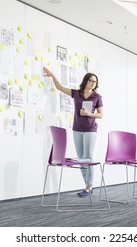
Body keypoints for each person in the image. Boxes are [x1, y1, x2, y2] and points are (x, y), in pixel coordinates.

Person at [43, 66, 103, 197]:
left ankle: (88, 187)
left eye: (95, 81)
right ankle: (87, 185)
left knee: (88, 158)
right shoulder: (77, 94)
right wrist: (52, 75)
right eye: (91, 80)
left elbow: (100, 115)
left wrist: (88, 114)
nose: (93, 83)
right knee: (81, 159)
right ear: (86, 81)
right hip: (77, 129)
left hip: (90, 130)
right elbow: (60, 88)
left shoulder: (97, 97)